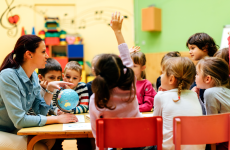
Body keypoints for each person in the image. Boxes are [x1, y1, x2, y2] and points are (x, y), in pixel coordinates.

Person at [0, 35, 78, 150]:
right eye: (43, 52)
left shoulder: (34, 76)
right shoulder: (8, 76)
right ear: (29, 54)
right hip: (3, 130)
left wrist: (50, 90)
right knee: (40, 147)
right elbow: (20, 120)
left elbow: (38, 112)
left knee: (50, 139)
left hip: (14, 128)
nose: (47, 56)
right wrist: (56, 119)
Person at [89, 12, 142, 150]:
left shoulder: (96, 98)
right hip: (138, 143)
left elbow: (97, 135)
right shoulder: (131, 85)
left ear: (96, 73)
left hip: (112, 145)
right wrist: (118, 31)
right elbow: (127, 60)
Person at [153, 57, 205, 150]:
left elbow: (154, 127)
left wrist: (161, 94)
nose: (160, 76)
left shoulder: (160, 97)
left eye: (162, 73)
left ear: (171, 79)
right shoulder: (194, 95)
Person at [195, 57, 230, 150]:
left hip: (224, 143)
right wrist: (198, 98)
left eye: (197, 74)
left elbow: (210, 122)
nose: (195, 77)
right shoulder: (225, 90)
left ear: (207, 79)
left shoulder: (210, 92)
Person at [186, 33, 218, 108]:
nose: (189, 52)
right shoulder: (198, 65)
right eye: (189, 49)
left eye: (193, 48)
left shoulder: (213, 64)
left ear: (205, 47)